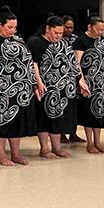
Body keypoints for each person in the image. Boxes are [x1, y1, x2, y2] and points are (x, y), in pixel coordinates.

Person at [0, 6, 38, 166]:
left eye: (14, 27)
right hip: (2, 89)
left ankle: (16, 154)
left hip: (20, 90)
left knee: (17, 123)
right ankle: (2, 155)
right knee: (1, 122)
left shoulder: (17, 40)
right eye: (9, 27)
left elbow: (28, 62)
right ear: (1, 25)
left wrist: (33, 84)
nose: (12, 30)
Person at [27, 15, 87, 159]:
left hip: (63, 88)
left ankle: (57, 147)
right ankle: (44, 148)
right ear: (47, 29)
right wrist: (39, 82)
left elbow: (72, 63)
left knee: (59, 118)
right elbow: (33, 64)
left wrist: (80, 80)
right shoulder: (35, 42)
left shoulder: (64, 43)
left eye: (61, 33)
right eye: (56, 33)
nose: (58, 36)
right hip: (45, 87)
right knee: (44, 118)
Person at [73, 15, 104, 154]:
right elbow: (77, 63)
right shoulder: (81, 41)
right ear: (89, 27)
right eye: (98, 30)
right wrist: (81, 80)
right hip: (88, 83)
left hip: (102, 83)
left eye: (102, 30)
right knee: (89, 113)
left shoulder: (102, 41)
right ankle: (90, 143)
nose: (100, 32)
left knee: (100, 113)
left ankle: (98, 142)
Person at [60, 15, 85, 144]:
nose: (69, 30)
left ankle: (73, 133)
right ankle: (62, 134)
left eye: (71, 27)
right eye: (67, 27)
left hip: (74, 77)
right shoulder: (57, 40)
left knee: (74, 109)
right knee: (63, 108)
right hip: (61, 79)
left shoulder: (75, 39)